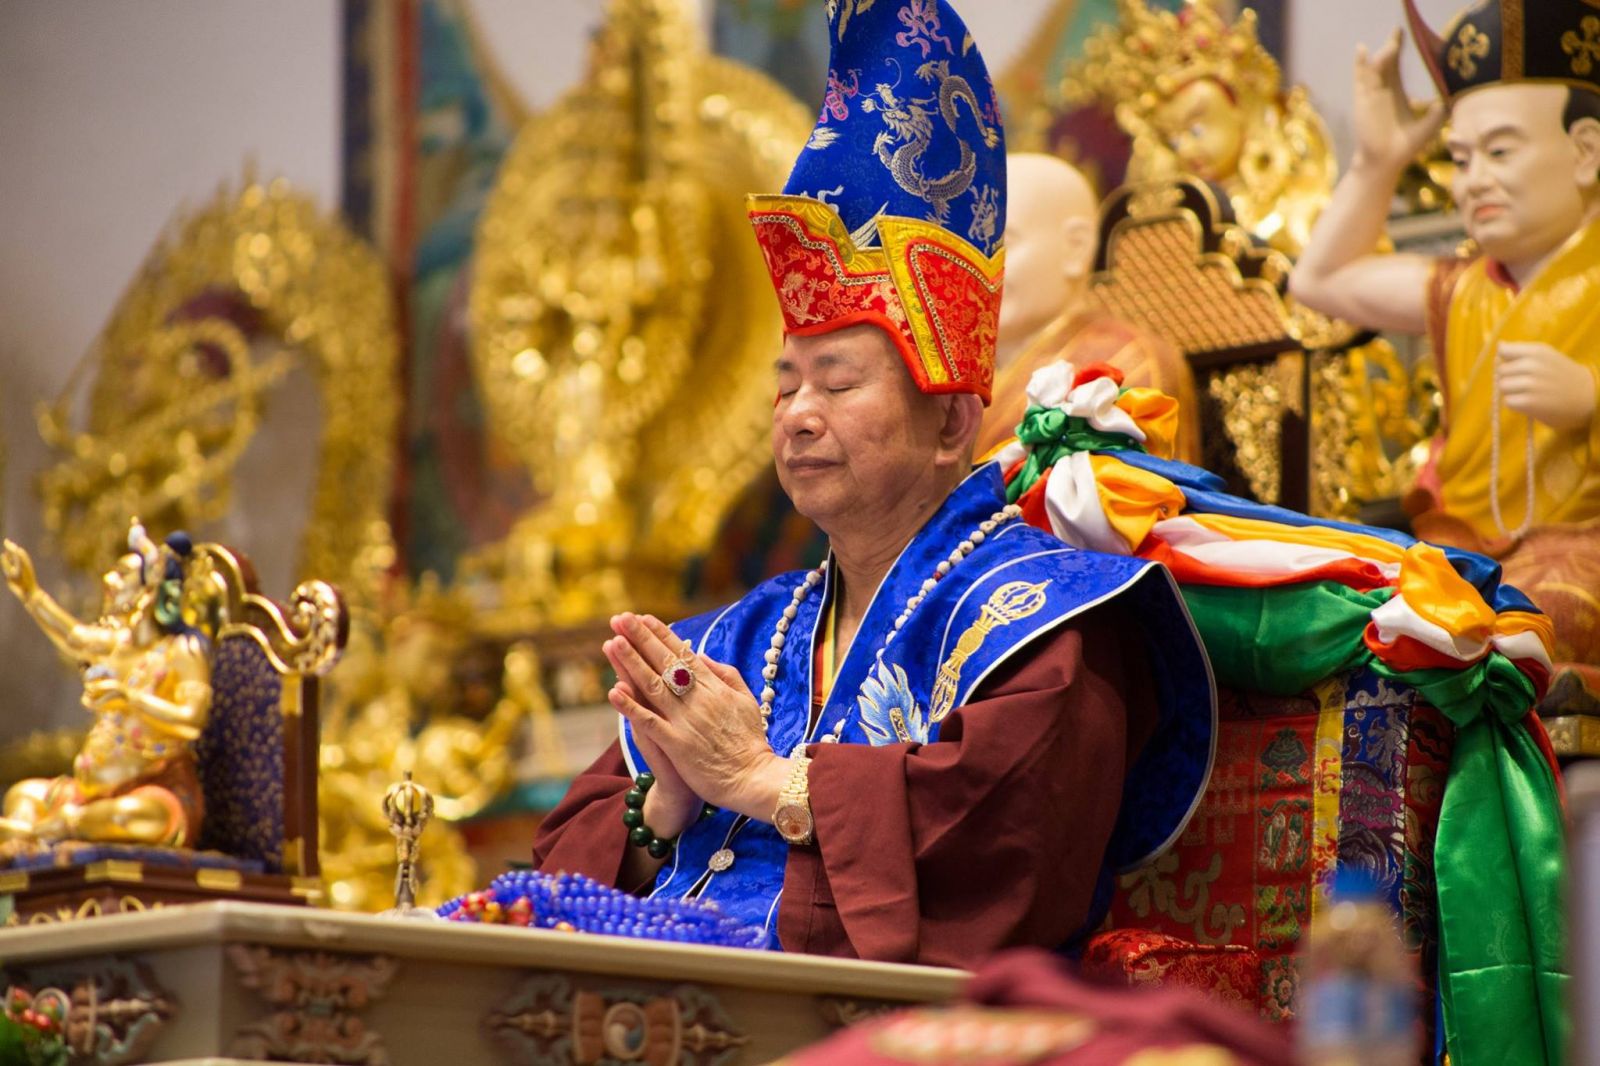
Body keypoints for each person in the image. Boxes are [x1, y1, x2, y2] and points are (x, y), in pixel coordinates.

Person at [530, 0, 1216, 969]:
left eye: (838, 382)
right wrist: (666, 803)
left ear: (952, 423)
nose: (797, 414)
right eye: (785, 385)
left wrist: (762, 780)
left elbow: (1009, 864)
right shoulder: (743, 638)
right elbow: (557, 871)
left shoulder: (1045, 622)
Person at [1290, 0, 1600, 697]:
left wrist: (1590, 398)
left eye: (1500, 151)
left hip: (1577, 554)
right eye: (1460, 158)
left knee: (1530, 615)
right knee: (1352, 618)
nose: (1473, 180)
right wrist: (1379, 160)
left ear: (1586, 152)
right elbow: (1317, 280)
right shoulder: (1461, 291)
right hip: (1456, 554)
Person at [0, 521, 211, 848]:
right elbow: (73, 637)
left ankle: (38, 834)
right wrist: (30, 592)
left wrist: (130, 699)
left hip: (151, 789)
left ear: (150, 589)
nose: (108, 580)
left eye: (122, 574)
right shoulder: (117, 644)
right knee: (23, 794)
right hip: (87, 793)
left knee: (132, 817)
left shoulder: (182, 651)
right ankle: (42, 833)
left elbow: (192, 719)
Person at [979, 152, 1200, 463]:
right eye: (975, 246)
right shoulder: (960, 370)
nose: (983, 266)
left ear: (1076, 247)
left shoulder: (1128, 363)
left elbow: (1127, 488)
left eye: (1003, 242)